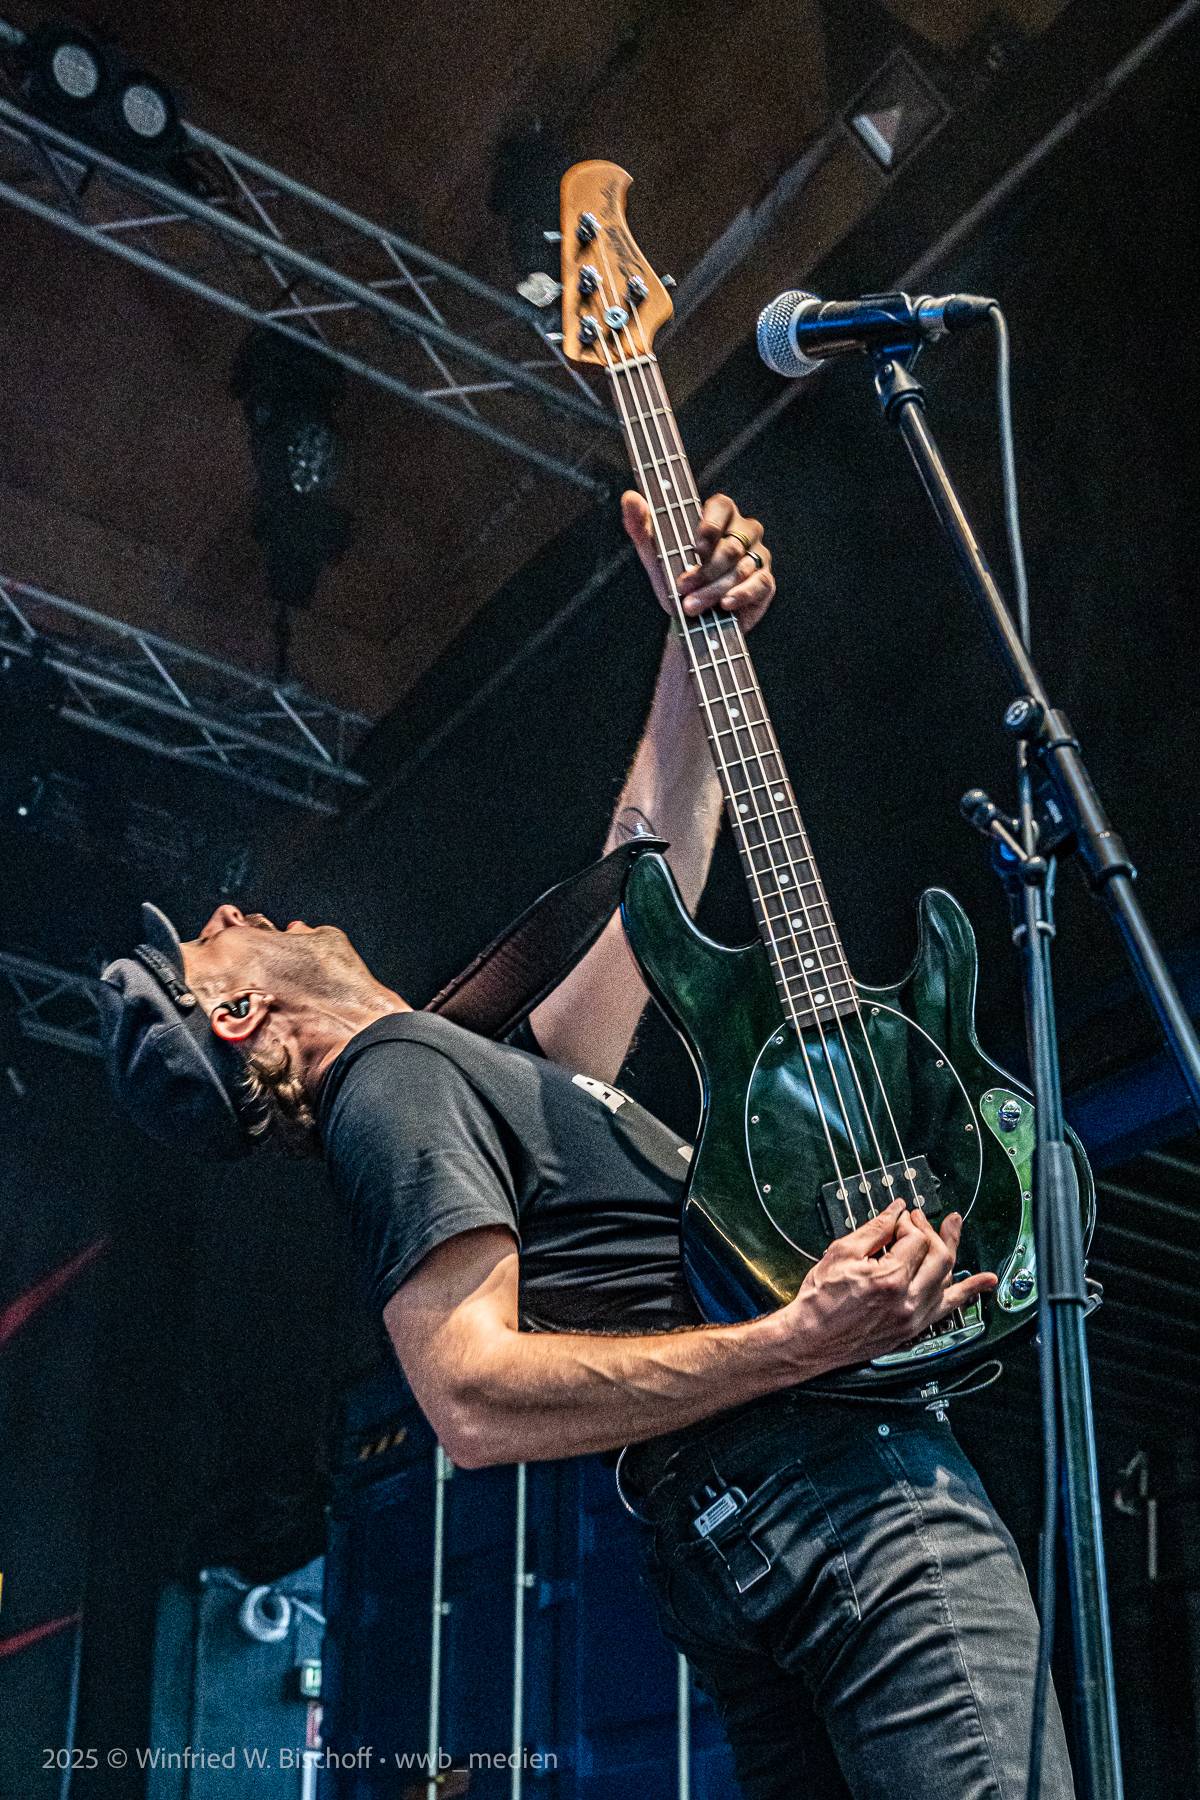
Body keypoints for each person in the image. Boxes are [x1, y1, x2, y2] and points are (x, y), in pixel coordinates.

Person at [101, 489, 1074, 1799]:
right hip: (828, 1488)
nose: (230, 912)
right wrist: (798, 1340)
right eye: (208, 944)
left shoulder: (453, 1072)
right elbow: (468, 1394)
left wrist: (691, 634)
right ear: (235, 1017)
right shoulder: (391, 1086)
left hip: (751, 1526)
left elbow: (643, 878)